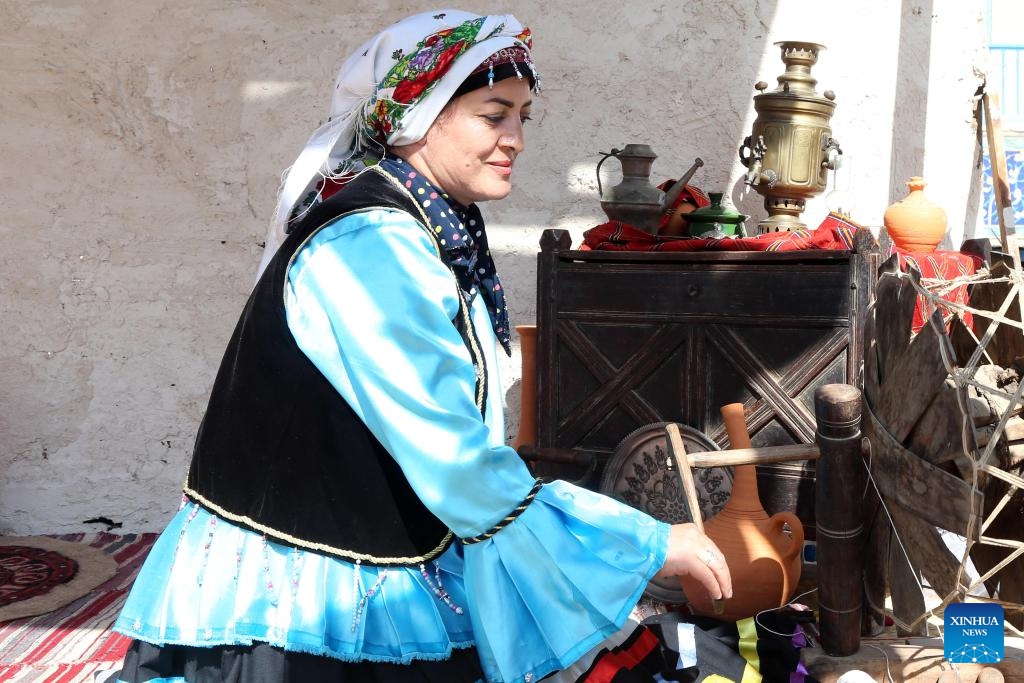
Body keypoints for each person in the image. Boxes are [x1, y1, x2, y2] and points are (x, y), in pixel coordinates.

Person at [111, 9, 732, 683]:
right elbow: (456, 463)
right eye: (494, 114)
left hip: (373, 557)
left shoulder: (431, 226)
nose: (516, 138)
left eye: (524, 116)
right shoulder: (371, 245)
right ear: (420, 114)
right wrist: (644, 542)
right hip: (295, 614)